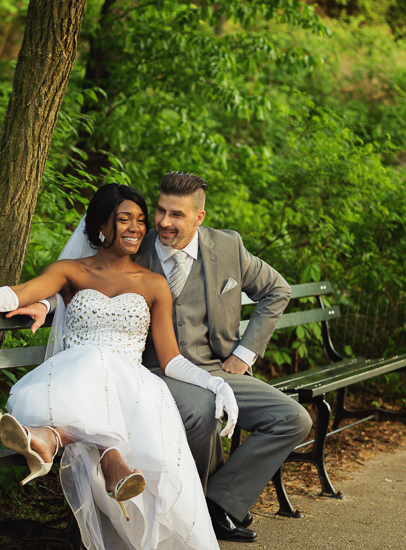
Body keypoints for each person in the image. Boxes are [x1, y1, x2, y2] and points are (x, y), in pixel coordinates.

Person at [0, 184, 234, 550]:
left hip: (132, 391)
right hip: (72, 381)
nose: (136, 228)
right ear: (101, 226)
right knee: (93, 358)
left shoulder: (154, 284)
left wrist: (216, 384)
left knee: (102, 362)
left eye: (141, 221)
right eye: (124, 219)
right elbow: (22, 291)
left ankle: (52, 437)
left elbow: (171, 359)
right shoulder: (70, 271)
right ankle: (112, 460)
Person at [20, 173, 313, 543]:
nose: (162, 222)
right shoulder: (132, 242)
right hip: (150, 368)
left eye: (176, 214)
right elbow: (80, 276)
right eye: (160, 210)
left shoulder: (228, 247)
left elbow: (277, 290)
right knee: (201, 410)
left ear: (198, 218)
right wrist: (44, 303)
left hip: (215, 367)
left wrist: (244, 352)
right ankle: (193, 515)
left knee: (293, 419)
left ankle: (217, 504)